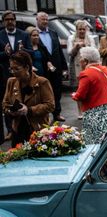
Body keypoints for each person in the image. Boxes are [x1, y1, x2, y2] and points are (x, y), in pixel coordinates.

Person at [2, 51, 54, 147]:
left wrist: (29, 110)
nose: (13, 72)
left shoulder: (42, 82)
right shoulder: (11, 82)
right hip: (18, 131)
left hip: (38, 131)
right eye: (11, 69)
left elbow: (50, 105)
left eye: (16, 69)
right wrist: (10, 111)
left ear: (27, 67)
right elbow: (5, 104)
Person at [71, 46, 107, 144]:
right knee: (105, 137)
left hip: (93, 111)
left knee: (92, 140)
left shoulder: (86, 74)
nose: (79, 61)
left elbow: (80, 95)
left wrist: (74, 95)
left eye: (81, 58)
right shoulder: (104, 69)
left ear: (86, 61)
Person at [0, 11, 29, 140]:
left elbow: (31, 51)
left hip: (22, 75)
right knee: (8, 101)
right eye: (7, 20)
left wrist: (23, 51)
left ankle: (26, 125)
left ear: (15, 20)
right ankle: (11, 129)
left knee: (23, 99)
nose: (10, 21)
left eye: (12, 19)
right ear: (3, 22)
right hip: (4, 74)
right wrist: (4, 53)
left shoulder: (24, 34)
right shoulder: (0, 35)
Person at [36, 11, 68, 122]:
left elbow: (59, 50)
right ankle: (45, 117)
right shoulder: (34, 34)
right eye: (42, 19)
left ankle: (57, 113)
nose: (45, 21)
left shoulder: (53, 33)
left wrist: (64, 67)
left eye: (46, 19)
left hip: (56, 67)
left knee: (57, 91)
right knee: (43, 93)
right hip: (42, 69)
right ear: (37, 20)